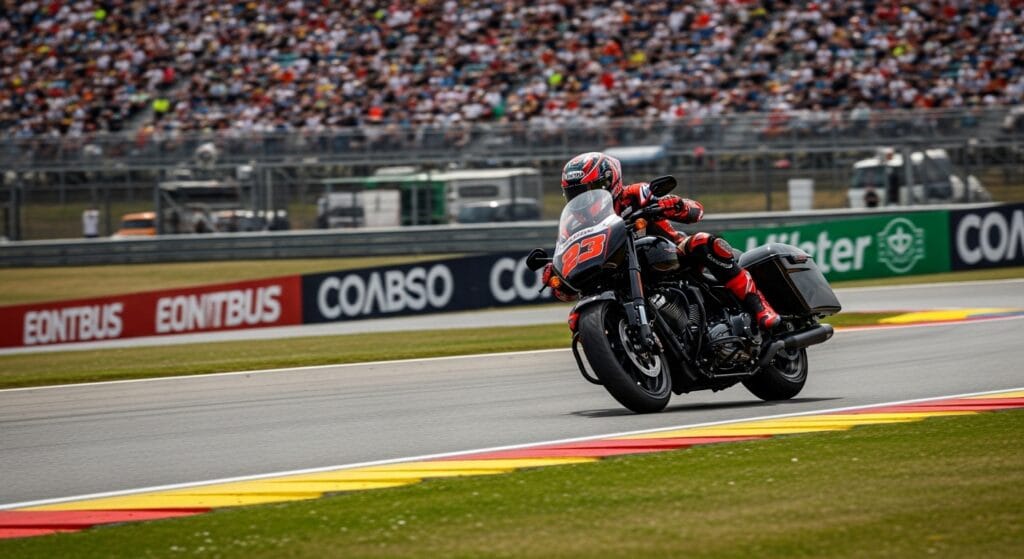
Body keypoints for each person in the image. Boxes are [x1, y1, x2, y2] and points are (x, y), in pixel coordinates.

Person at [542, 151, 781, 331]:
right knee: (575, 320)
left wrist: (673, 204)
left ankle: (760, 307)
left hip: (668, 253)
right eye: (575, 193)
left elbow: (696, 211)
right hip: (618, 272)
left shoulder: (634, 194)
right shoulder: (573, 223)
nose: (584, 198)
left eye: (591, 189)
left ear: (610, 182)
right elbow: (566, 293)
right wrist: (557, 276)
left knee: (703, 243)